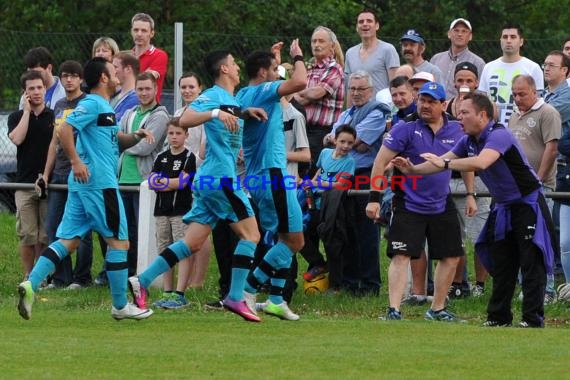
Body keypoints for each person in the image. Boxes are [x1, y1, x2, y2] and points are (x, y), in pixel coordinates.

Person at [393, 91, 557, 328]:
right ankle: (498, 318)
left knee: (531, 262)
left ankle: (532, 320)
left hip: (527, 204)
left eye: (465, 113)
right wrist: (412, 170)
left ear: (482, 115)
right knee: (502, 263)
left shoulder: (499, 134)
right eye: (458, 112)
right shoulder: (468, 139)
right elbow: (440, 162)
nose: (459, 117)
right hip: (503, 206)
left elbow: (481, 162)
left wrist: (445, 163)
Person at [127, 50, 266, 323]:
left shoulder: (231, 100)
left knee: (191, 243)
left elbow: (229, 117)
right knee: (252, 236)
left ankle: (141, 280)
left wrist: (244, 113)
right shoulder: (214, 95)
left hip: (209, 180)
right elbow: (187, 118)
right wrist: (215, 113)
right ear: (224, 69)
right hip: (221, 179)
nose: (238, 67)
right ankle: (236, 297)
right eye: (234, 63)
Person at [17, 57, 154, 321]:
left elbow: (113, 142)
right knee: (119, 242)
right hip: (99, 184)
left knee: (68, 240)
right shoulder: (92, 103)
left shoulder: (104, 107)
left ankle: (30, 285)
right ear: (103, 78)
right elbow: (65, 130)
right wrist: (76, 161)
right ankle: (120, 306)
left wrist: (135, 136)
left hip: (83, 187)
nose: (117, 76)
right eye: (113, 72)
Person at [366, 82, 474, 322]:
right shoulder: (404, 128)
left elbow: (466, 162)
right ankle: (394, 310)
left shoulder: (457, 130)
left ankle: (437, 309)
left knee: (451, 256)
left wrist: (470, 194)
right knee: (401, 255)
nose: (425, 105)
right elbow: (379, 162)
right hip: (408, 202)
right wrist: (374, 199)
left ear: (444, 105)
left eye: (431, 101)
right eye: (422, 100)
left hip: (441, 202)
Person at [237, 40, 307, 320]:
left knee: (283, 237)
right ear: (264, 73)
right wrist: (297, 56)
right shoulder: (264, 91)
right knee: (295, 242)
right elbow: (300, 81)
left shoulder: (245, 93)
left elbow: (276, 82)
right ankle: (248, 289)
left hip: (261, 176)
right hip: (272, 176)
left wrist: (275, 60)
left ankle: (276, 299)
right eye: (275, 69)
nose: (279, 73)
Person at [324, 70, 390, 295]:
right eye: (352, 89)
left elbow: (353, 142)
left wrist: (343, 141)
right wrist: (345, 141)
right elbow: (336, 139)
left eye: (361, 89)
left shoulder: (377, 112)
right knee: (345, 229)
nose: (356, 93)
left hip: (365, 174)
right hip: (344, 176)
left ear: (370, 91)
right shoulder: (346, 113)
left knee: (367, 232)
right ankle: (350, 283)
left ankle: (370, 285)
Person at [40, 60, 93, 290]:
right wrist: (45, 174)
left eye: (73, 75)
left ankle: (82, 278)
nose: (69, 80)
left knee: (82, 229)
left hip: (81, 173)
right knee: (53, 227)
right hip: (59, 174)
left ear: (81, 79)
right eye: (64, 76)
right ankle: (62, 277)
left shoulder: (88, 103)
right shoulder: (59, 105)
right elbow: (54, 143)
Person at [509, 74, 561, 304]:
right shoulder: (513, 115)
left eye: (522, 94)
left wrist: (537, 180)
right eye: (514, 94)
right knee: (522, 240)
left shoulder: (547, 112)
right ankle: (527, 287)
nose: (518, 98)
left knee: (542, 238)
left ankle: (546, 289)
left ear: (535, 92)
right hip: (516, 188)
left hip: (539, 188)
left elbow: (552, 149)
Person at [446, 61, 491, 298]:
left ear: (476, 83)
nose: (464, 85)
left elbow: (473, 155)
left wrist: (471, 192)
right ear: (454, 82)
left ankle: (480, 286)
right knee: (455, 237)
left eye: (469, 80)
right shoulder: (444, 110)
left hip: (477, 181)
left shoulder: (483, 111)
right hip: (448, 180)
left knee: (480, 236)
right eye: (460, 80)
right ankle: (457, 284)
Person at [119, 72, 169, 276]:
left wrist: (122, 144)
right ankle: (126, 271)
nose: (144, 93)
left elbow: (145, 147)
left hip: (144, 180)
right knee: (125, 230)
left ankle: (143, 273)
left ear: (156, 89)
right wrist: (123, 141)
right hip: (122, 179)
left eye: (148, 88)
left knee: (142, 232)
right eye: (140, 89)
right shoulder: (129, 113)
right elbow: (119, 137)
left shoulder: (160, 115)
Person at [8, 70, 54, 279]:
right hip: (24, 184)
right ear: (25, 93)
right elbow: (17, 139)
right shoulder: (16, 117)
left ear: (45, 89)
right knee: (28, 234)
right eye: (31, 89)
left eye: (39, 88)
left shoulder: (53, 116)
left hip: (49, 183)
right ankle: (28, 274)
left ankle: (41, 275)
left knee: (44, 234)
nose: (36, 92)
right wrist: (27, 112)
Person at [150, 118, 196, 309]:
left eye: (178, 133)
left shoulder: (188, 157)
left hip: (181, 211)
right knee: (164, 250)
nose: (174, 137)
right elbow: (152, 182)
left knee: (182, 250)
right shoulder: (161, 157)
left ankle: (180, 293)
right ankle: (167, 291)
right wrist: (171, 183)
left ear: (186, 135)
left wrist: (165, 183)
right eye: (171, 133)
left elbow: (183, 183)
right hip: (161, 211)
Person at [294, 25, 344, 178]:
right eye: (314, 41)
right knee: (298, 173)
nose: (316, 44)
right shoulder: (308, 67)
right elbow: (300, 95)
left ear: (332, 46)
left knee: (313, 173)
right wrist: (303, 95)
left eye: (321, 41)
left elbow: (317, 92)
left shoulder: (335, 68)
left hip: (322, 133)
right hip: (303, 128)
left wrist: (298, 94)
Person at [312, 125, 356, 291]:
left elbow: (341, 184)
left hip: (333, 206)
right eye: (342, 141)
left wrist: (319, 183)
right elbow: (319, 171)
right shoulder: (324, 153)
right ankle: (319, 263)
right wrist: (311, 183)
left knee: (333, 242)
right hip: (315, 203)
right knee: (303, 234)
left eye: (350, 143)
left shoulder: (350, 162)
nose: (345, 146)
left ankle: (335, 285)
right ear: (335, 140)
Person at [478, 22, 543, 126]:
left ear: (521, 41)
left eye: (513, 37)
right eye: (505, 37)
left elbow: (538, 103)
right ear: (500, 41)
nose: (508, 40)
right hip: (493, 128)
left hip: (523, 127)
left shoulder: (533, 68)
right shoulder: (488, 67)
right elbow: (482, 100)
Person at [544, 50, 570, 284]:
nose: (546, 68)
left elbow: (543, 118)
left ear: (565, 70)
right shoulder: (545, 95)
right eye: (545, 64)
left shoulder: (567, 97)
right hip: (551, 166)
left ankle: (557, 283)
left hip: (560, 167)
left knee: (560, 233)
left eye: (552, 65)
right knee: (558, 235)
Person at [344, 9, 399, 98]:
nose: (365, 24)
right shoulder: (350, 53)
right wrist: (350, 111)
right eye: (361, 22)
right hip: (358, 110)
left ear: (377, 26)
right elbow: (349, 89)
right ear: (357, 27)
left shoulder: (388, 50)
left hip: (381, 109)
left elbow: (396, 86)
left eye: (369, 21)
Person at [430, 18, 485, 99]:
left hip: (461, 109)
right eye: (456, 30)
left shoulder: (478, 63)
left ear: (470, 36)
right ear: (449, 34)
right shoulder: (436, 59)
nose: (460, 34)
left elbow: (481, 94)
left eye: (464, 31)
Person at [131, 12, 168, 102]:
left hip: (149, 110)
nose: (139, 34)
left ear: (152, 33)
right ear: (131, 31)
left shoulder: (159, 55)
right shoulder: (127, 56)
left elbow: (145, 81)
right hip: (127, 109)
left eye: (144, 31)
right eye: (136, 30)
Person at [111, 51, 140, 123]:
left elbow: (118, 123)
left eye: (115, 67)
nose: (112, 71)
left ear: (128, 69)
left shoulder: (135, 98)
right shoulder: (115, 94)